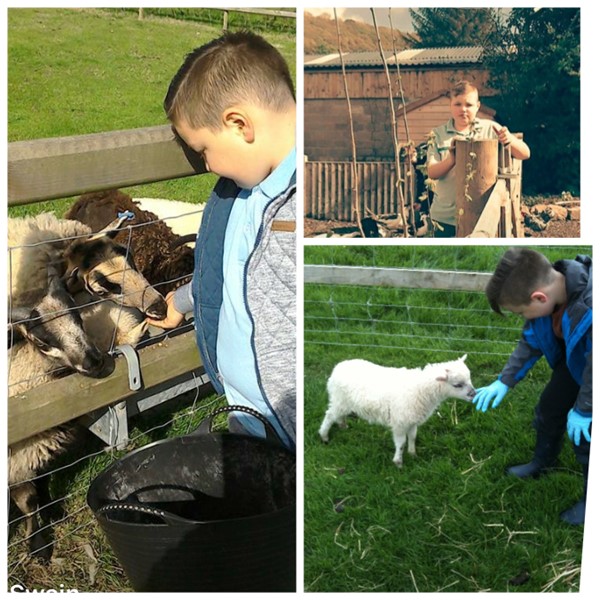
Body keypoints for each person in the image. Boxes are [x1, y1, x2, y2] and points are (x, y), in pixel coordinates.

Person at [147, 31, 296, 450]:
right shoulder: (241, 194)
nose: (207, 164)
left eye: (204, 149)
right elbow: (235, 274)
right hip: (248, 419)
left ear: (239, 124)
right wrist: (181, 301)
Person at [473, 248, 592, 525]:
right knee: (549, 409)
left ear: (539, 297)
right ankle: (543, 460)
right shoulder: (547, 303)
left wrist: (585, 408)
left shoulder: (591, 305)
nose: (522, 317)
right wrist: (504, 381)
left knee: (586, 435)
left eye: (520, 312)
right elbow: (530, 341)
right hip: (575, 363)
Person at [426, 81, 531, 237]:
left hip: (481, 215)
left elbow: (525, 153)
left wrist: (509, 138)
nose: (463, 109)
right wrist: (452, 159)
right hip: (443, 218)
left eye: (468, 104)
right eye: (457, 104)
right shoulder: (437, 134)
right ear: (450, 105)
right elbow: (431, 172)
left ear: (478, 106)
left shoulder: (491, 128)